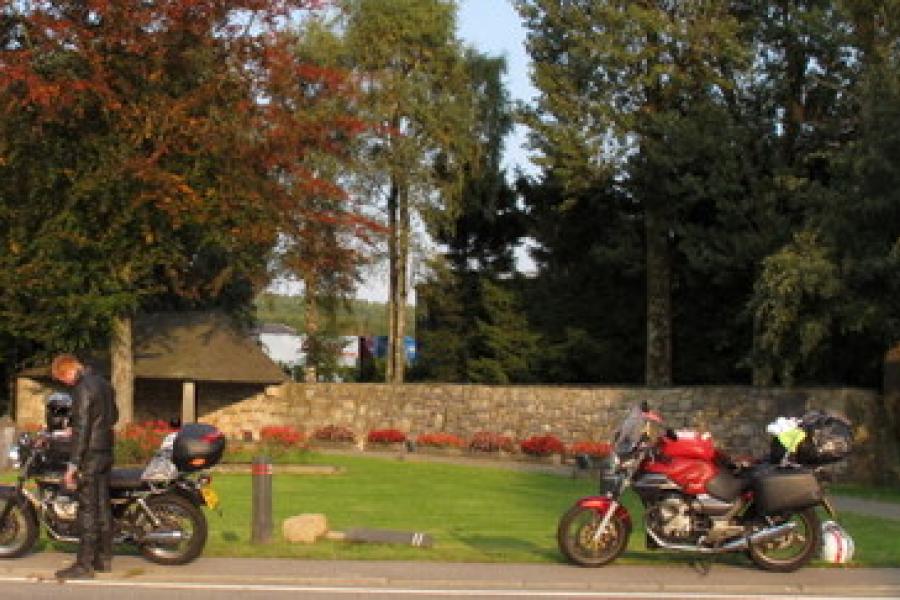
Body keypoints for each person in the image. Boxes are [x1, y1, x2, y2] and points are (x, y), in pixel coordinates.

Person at [50, 354, 118, 580]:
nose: (65, 383)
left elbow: (82, 427)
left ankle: (84, 565)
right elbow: (113, 416)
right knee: (102, 504)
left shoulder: (82, 388)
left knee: (88, 508)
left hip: (90, 454)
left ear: (68, 371)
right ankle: (103, 558)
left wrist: (72, 465)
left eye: (63, 379)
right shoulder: (103, 383)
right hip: (106, 451)